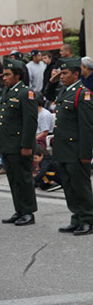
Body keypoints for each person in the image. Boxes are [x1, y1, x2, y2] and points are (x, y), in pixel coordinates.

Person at [0, 58, 38, 226]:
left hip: (19, 145)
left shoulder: (26, 93)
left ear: (18, 76)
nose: (4, 77)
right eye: (3, 74)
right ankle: (19, 209)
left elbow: (30, 122)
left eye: (7, 75)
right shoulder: (7, 91)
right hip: (7, 144)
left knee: (24, 179)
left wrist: (26, 145)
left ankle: (28, 212)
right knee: (13, 179)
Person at [52, 58, 93, 236]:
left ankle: (87, 220)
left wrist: (86, 153)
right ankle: (76, 217)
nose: (62, 76)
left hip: (76, 150)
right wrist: (51, 82)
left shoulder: (82, 94)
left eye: (65, 73)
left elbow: (87, 127)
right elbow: (47, 95)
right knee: (68, 186)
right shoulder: (63, 92)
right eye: (61, 73)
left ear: (76, 74)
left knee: (80, 186)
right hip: (63, 149)